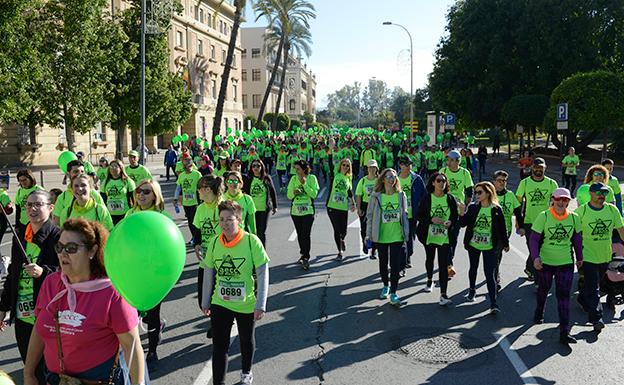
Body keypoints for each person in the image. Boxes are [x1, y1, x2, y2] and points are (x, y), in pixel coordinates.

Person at [23, 218, 145, 385]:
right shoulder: (51, 283)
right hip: (57, 380)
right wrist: (28, 372)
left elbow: (132, 347)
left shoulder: (112, 292)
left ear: (92, 251)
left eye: (71, 248)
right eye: (59, 247)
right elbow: (39, 329)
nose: (62, 254)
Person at [200, 201, 269, 385]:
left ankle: (246, 373)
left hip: (245, 303)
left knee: (246, 341)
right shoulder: (215, 242)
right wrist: (205, 301)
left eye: (229, 219)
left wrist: (260, 304)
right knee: (219, 346)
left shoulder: (251, 241)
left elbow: (263, 273)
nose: (225, 224)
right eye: (221, 220)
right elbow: (208, 272)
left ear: (238, 219)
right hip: (220, 301)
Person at [0, 191, 60, 385]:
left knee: (50, 371)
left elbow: (67, 273)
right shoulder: (20, 236)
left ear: (50, 208)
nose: (32, 209)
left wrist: (43, 272)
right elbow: (13, 275)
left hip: (48, 315)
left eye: (38, 204)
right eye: (28, 205)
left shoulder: (58, 236)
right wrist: (3, 307)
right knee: (30, 369)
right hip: (23, 316)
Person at [124, 179, 168, 370]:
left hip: (154, 274)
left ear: (155, 195)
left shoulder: (161, 216)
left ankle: (152, 351)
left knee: (152, 312)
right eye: (139, 191)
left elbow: (168, 248)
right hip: (133, 272)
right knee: (131, 313)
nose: (141, 195)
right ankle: (135, 347)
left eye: (147, 192)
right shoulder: (130, 213)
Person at [529, 188, 582, 345]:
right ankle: (539, 311)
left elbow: (577, 240)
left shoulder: (574, 218)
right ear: (553, 199)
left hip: (565, 263)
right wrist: (535, 257)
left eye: (565, 200)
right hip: (546, 263)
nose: (561, 202)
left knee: (563, 296)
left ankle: (564, 332)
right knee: (543, 290)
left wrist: (580, 258)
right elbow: (533, 239)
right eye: (558, 199)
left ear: (568, 202)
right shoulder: (543, 216)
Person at [575, 182, 624, 331]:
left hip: (605, 255)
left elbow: (621, 230)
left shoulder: (611, 209)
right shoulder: (581, 211)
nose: (602, 196)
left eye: (604, 193)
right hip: (587, 255)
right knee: (594, 286)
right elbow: (574, 234)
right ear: (591, 193)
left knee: (593, 285)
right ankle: (596, 318)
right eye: (599, 193)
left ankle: (582, 297)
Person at [460, 182, 508, 313]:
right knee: (473, 268)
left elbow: (502, 228)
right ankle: (472, 290)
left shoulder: (496, 209)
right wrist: (462, 212)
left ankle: (493, 303)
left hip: (490, 246)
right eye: (475, 192)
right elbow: (462, 224)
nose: (476, 195)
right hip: (474, 244)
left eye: (479, 192)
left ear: (488, 192)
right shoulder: (473, 208)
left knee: (489, 273)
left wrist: (506, 244)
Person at [365, 168, 409, 307]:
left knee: (395, 265)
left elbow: (405, 215)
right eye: (389, 176)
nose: (392, 179)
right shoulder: (376, 196)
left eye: (394, 177)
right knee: (383, 263)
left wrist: (406, 233)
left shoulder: (401, 196)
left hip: (396, 235)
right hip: (381, 236)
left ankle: (394, 293)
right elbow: (370, 216)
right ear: (383, 179)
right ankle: (385, 285)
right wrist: (369, 234)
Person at [415, 172, 458, 306]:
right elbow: (419, 215)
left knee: (443, 264)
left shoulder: (450, 198)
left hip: (444, 237)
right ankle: (429, 280)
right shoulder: (427, 198)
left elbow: (455, 216)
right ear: (433, 183)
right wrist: (431, 219)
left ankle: (443, 294)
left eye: (444, 181)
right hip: (429, 235)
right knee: (430, 258)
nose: (441, 183)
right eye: (439, 181)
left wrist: (450, 222)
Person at [516, 157, 558, 281]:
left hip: (546, 222)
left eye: (541, 168)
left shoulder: (552, 183)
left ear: (545, 168)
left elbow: (557, 203)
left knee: (541, 249)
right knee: (534, 249)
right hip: (529, 222)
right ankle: (537, 277)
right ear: (532, 168)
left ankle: (531, 269)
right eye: (536, 167)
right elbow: (517, 204)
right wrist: (519, 224)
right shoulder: (525, 183)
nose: (538, 170)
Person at [440, 150, 474, 279]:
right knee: (444, 237)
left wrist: (465, 207)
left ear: (456, 161)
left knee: (453, 238)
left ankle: (449, 262)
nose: (447, 162)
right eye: (447, 159)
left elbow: (469, 191)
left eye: (450, 160)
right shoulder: (443, 171)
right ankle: (448, 263)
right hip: (444, 208)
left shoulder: (464, 173)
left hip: (457, 210)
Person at [287, 160, 320, 270]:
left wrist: (304, 184)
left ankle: (306, 257)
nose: (296, 171)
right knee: (300, 234)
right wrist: (294, 193)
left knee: (306, 234)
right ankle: (303, 253)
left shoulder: (312, 178)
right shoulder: (293, 179)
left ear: (304, 169)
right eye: (295, 169)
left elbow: (314, 194)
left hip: (308, 210)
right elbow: (289, 195)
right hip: (296, 211)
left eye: (298, 169)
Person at [493, 170, 523, 289]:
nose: (502, 183)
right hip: (490, 230)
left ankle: (495, 275)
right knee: (493, 254)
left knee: (498, 253)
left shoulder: (510, 195)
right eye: (499, 180)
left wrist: (520, 227)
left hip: (506, 230)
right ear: (494, 182)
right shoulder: (490, 194)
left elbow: (517, 212)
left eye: (504, 181)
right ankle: (494, 275)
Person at [52, 160, 105, 225]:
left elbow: (104, 217)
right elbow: (56, 223)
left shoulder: (94, 194)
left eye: (82, 171)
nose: (79, 174)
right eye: (76, 171)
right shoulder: (62, 197)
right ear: (68, 174)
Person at [397, 157, 426, 271]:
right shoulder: (394, 178)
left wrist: (421, 211)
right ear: (401, 165)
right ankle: (402, 261)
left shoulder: (416, 179)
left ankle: (408, 256)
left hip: (411, 215)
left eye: (410, 164)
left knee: (409, 238)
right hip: (398, 215)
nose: (409, 167)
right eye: (406, 164)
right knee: (399, 238)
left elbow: (424, 195)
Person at [326, 159, 356, 260]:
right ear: (340, 165)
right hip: (332, 206)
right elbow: (330, 164)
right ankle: (340, 251)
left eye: (347, 166)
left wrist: (353, 203)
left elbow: (350, 192)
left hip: (343, 207)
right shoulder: (335, 174)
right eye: (344, 165)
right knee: (337, 229)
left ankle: (342, 240)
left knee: (344, 231)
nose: (345, 167)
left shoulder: (348, 178)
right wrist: (330, 149)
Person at [243, 160, 277, 247]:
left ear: (262, 167)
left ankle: (262, 252)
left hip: (263, 209)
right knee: (252, 232)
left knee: (261, 232)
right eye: (253, 166)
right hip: (251, 210)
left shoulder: (266, 178)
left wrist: (274, 206)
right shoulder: (249, 179)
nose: (256, 168)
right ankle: (254, 251)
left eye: (258, 166)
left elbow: (272, 192)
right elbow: (245, 193)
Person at [175, 156, 202, 244]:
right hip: (186, 202)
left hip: (195, 202)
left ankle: (197, 238)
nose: (187, 167)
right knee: (190, 222)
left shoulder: (197, 174)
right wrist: (175, 198)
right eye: (185, 165)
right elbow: (178, 188)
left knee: (195, 221)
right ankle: (194, 237)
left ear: (191, 165)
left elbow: (202, 187)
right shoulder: (181, 176)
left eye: (189, 165)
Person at [100, 159, 136, 225]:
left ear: (121, 168)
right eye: (111, 166)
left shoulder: (128, 181)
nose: (113, 168)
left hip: (125, 214)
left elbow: (134, 199)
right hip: (110, 215)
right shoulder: (105, 182)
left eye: (115, 166)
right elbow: (102, 200)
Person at [356, 160, 379, 259]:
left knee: (375, 229)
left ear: (376, 169)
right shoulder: (363, 180)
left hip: (376, 206)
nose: (372, 169)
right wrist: (359, 208)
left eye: (374, 167)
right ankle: (365, 242)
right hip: (365, 205)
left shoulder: (379, 180)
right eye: (370, 167)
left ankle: (373, 250)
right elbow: (359, 195)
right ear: (367, 169)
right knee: (364, 228)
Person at [14, 169, 44, 235]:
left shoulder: (39, 190)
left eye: (25, 180)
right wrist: (17, 225)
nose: (23, 182)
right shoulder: (19, 191)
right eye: (20, 180)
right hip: (23, 224)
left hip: (36, 223)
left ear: (30, 178)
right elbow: (18, 209)